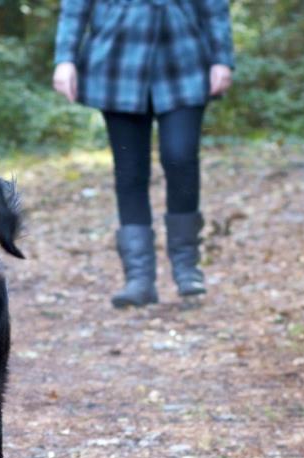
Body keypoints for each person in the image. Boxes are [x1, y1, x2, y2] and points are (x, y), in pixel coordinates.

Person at [53, 0, 233, 307]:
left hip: (183, 56)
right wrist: (65, 59)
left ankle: (187, 268)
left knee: (181, 158)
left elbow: (214, 6)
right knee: (130, 171)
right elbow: (75, 7)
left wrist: (222, 58)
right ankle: (139, 279)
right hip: (117, 59)